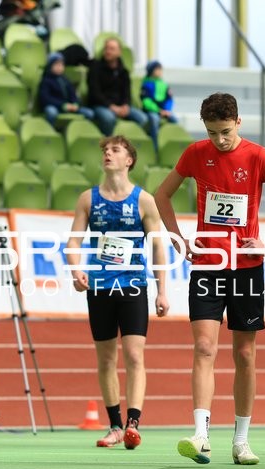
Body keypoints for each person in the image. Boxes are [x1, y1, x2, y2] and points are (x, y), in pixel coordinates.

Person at [153, 92, 265, 465]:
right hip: (208, 263)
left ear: (238, 123)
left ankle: (241, 441)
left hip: (246, 267)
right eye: (212, 133)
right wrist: (176, 237)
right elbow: (162, 195)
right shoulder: (195, 153)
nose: (219, 140)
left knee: (244, 354)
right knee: (205, 348)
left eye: (225, 132)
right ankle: (201, 434)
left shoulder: (257, 157)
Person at [65, 135, 170, 449]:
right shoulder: (88, 199)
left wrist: (162, 290)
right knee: (106, 359)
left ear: (129, 160)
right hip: (99, 286)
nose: (108, 154)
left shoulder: (143, 201)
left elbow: (157, 248)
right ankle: (114, 425)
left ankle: (132, 424)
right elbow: (73, 242)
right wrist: (76, 269)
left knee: (134, 355)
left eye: (116, 150)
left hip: (133, 284)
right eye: (106, 151)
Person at [86, 37, 148, 136]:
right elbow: (95, 93)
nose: (108, 51)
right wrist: (111, 106)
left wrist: (126, 105)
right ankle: (108, 146)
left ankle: (129, 146)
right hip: (100, 105)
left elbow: (126, 92)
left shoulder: (124, 71)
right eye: (106, 48)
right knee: (109, 118)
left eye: (112, 49)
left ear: (119, 52)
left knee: (143, 119)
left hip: (120, 106)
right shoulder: (95, 68)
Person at [37, 52, 94, 128]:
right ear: (50, 66)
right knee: (51, 112)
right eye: (56, 64)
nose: (59, 67)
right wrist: (63, 105)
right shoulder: (46, 81)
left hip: (69, 107)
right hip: (55, 106)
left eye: (61, 64)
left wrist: (75, 104)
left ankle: (79, 132)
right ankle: (50, 131)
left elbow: (73, 94)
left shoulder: (65, 80)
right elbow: (45, 98)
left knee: (89, 113)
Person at [140, 60, 178, 145]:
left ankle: (170, 143)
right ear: (151, 71)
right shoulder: (146, 84)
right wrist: (158, 110)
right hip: (152, 111)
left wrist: (167, 110)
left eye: (160, 69)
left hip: (164, 111)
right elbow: (146, 101)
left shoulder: (164, 84)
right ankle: (155, 145)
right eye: (157, 69)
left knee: (175, 120)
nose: (160, 71)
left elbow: (169, 99)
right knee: (154, 120)